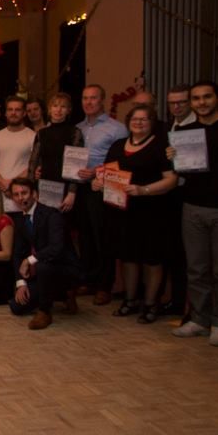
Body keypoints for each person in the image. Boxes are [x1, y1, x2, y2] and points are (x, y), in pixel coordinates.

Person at [168, 81, 218, 347]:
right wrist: (174, 157)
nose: (202, 102)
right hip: (193, 207)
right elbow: (183, 172)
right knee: (196, 267)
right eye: (196, 98)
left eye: (207, 97)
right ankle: (199, 319)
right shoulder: (185, 131)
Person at [94, 104, 178, 323]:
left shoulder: (161, 147)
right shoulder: (118, 145)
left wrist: (144, 190)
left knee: (152, 259)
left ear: (152, 123)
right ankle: (130, 300)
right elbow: (106, 173)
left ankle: (151, 303)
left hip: (152, 211)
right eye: (135, 119)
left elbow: (171, 179)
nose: (139, 123)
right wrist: (98, 182)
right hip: (123, 211)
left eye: (144, 119)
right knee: (128, 257)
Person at [75, 84, 129, 305]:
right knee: (84, 236)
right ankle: (89, 280)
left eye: (93, 98)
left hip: (104, 188)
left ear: (102, 100)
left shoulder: (117, 129)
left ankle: (105, 285)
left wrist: (97, 172)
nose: (88, 102)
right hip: (80, 187)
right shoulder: (77, 128)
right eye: (85, 98)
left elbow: (123, 162)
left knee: (103, 237)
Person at [7, 178, 82, 330]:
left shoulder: (52, 215)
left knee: (42, 266)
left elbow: (56, 248)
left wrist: (29, 260)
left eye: (24, 193)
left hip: (66, 269)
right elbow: (17, 254)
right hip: (43, 271)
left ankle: (45, 312)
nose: (21, 197)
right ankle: (62, 294)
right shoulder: (21, 220)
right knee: (17, 306)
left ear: (34, 194)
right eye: (16, 194)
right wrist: (20, 283)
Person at [161, 84, 196, 316]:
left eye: (181, 102)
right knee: (174, 252)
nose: (176, 106)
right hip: (170, 196)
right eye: (172, 102)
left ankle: (193, 308)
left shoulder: (199, 128)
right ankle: (176, 301)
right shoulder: (167, 127)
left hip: (193, 196)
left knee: (193, 257)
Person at [27, 92, 84, 213]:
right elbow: (33, 163)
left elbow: (77, 165)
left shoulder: (75, 132)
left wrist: (72, 193)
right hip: (44, 185)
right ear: (49, 109)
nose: (58, 110)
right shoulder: (41, 133)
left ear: (68, 110)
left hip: (66, 188)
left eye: (63, 107)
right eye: (55, 106)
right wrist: (32, 189)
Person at [0, 96, 37, 214]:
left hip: (22, 192)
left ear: (24, 113)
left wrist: (12, 184)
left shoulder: (33, 136)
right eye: (10, 110)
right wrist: (1, 182)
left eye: (17, 110)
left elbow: (33, 165)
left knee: (21, 228)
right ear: (5, 113)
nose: (13, 113)